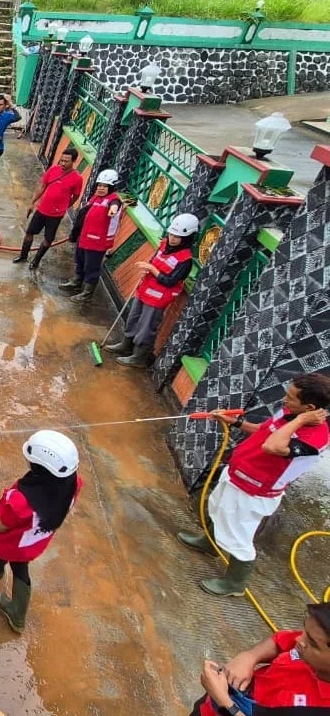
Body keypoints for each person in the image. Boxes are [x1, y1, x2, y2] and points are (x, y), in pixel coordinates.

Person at [177, 374, 330, 596]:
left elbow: (273, 446)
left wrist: (299, 421)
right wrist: (236, 422)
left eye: (290, 398)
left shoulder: (315, 437)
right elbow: (265, 431)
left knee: (238, 535)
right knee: (218, 508)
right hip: (239, 473)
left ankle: (235, 583)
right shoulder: (289, 412)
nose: (284, 401)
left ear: (309, 407)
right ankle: (210, 542)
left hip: (255, 491)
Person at [0, 430, 82, 633]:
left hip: (11, 541)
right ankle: (17, 613)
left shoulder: (22, 501)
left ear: (39, 469)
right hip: (33, 542)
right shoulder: (71, 485)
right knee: (20, 569)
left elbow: (6, 523)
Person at [190, 601, 330, 716]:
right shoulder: (310, 640)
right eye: (305, 629)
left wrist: (224, 702)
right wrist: (249, 657)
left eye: (312, 643)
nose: (299, 639)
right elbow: (279, 642)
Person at [108, 213, 199, 367]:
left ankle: (139, 357)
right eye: (171, 234)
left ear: (187, 238)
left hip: (158, 299)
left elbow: (170, 281)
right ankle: (126, 344)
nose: (172, 238)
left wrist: (152, 269)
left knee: (146, 326)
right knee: (133, 318)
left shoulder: (185, 260)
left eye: (178, 237)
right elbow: (154, 261)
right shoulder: (163, 245)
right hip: (144, 290)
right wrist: (148, 269)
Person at [59, 168, 122, 303]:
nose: (101, 188)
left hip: (97, 242)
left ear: (112, 187)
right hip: (85, 237)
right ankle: (76, 282)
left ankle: (87, 293)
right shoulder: (96, 197)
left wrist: (113, 210)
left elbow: (115, 206)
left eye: (105, 186)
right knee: (80, 260)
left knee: (91, 266)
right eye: (99, 185)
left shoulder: (113, 200)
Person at [13, 147, 83, 270]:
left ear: (74, 161)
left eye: (66, 161)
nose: (63, 163)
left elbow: (76, 196)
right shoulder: (53, 170)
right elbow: (42, 186)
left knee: (48, 239)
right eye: (61, 160)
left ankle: (36, 261)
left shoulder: (77, 178)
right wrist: (32, 202)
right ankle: (23, 255)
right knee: (29, 233)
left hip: (56, 215)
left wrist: (66, 206)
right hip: (41, 210)